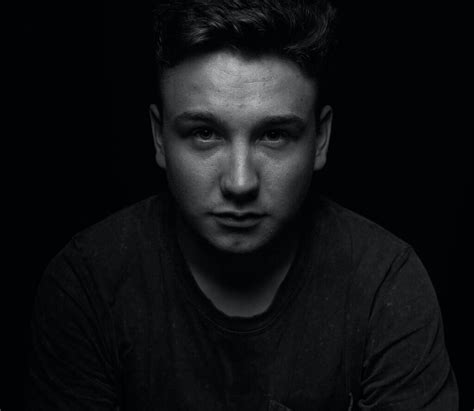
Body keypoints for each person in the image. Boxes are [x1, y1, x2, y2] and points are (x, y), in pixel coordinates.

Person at [28, 0, 458, 409]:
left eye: (274, 135)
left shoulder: (387, 287)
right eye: (204, 133)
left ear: (320, 139)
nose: (239, 182)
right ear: (159, 137)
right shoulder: (87, 287)